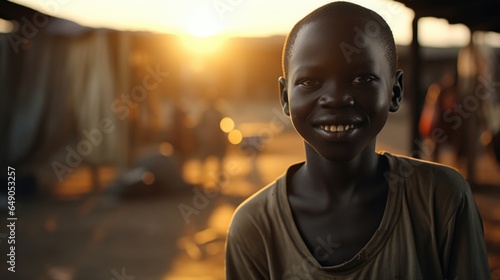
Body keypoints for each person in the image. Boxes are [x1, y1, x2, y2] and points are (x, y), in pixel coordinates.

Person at [225, 2, 491, 279]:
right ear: (285, 98)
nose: (337, 98)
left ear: (395, 92)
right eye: (310, 82)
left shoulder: (442, 198)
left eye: (362, 79)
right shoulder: (254, 227)